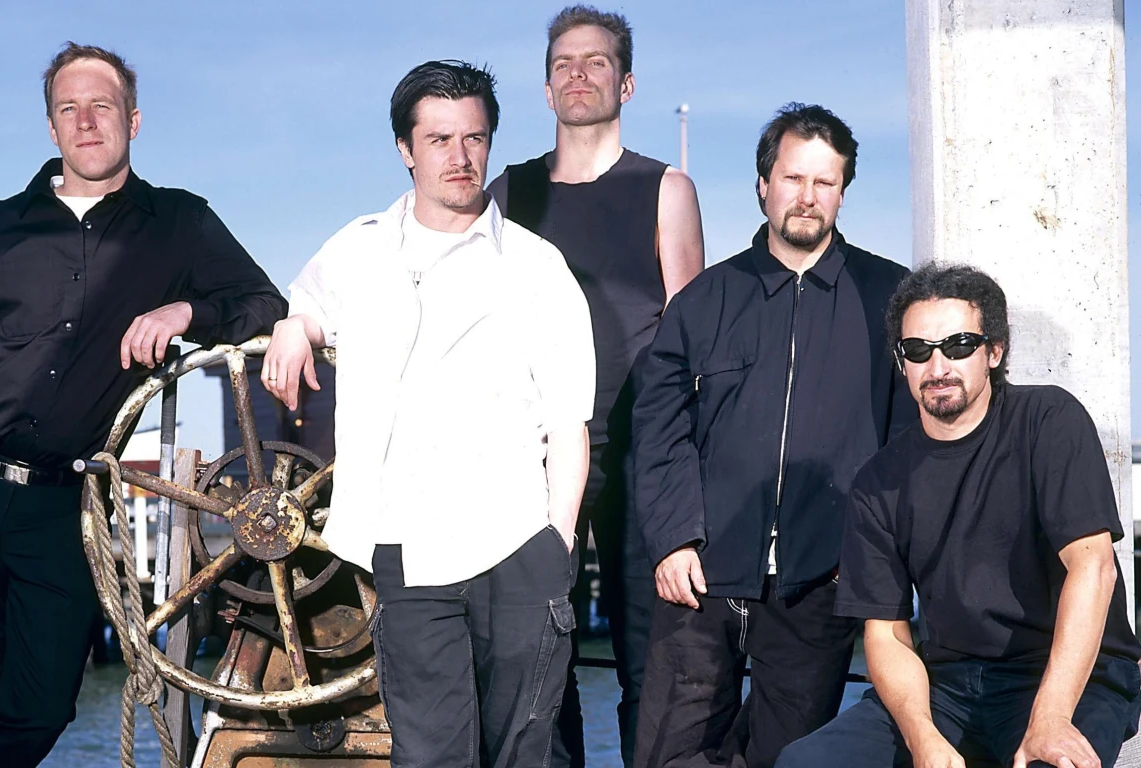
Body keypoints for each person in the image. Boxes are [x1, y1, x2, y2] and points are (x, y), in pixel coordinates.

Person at [0, 42, 286, 768]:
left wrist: (187, 312)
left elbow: (265, 307)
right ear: (51, 128)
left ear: (133, 119)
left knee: (45, 701)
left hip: (67, 503)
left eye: (102, 105)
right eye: (68, 108)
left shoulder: (180, 222)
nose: (86, 121)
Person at [260, 60, 595, 768]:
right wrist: (294, 326)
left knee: (523, 756)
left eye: (474, 138)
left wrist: (556, 544)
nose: (460, 156)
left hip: (515, 547)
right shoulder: (357, 249)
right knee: (430, 757)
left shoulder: (538, 267)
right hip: (405, 551)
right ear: (405, 150)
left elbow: (570, 423)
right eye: (439, 139)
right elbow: (310, 301)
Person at [632, 103, 913, 768]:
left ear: (842, 191)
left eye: (824, 182)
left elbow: (906, 444)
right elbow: (659, 427)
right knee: (670, 754)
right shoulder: (705, 300)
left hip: (821, 580)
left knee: (789, 758)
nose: (807, 196)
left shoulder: (890, 299)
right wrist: (673, 538)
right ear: (763, 184)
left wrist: (866, 549)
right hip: (701, 574)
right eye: (793, 178)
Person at [777, 265, 1141, 768]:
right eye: (918, 350)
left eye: (959, 345)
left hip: (1067, 675)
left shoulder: (1048, 420)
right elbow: (886, 633)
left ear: (994, 352)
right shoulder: (877, 482)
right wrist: (923, 738)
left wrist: (1051, 718)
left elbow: (1093, 568)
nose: (938, 365)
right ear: (902, 362)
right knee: (804, 762)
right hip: (947, 684)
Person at [487, 7, 705, 765]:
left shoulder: (665, 188)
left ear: (626, 83)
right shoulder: (508, 194)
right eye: (564, 64)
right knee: (539, 654)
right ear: (547, 89)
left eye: (596, 61)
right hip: (538, 454)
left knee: (652, 657)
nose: (578, 74)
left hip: (643, 451)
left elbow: (690, 334)